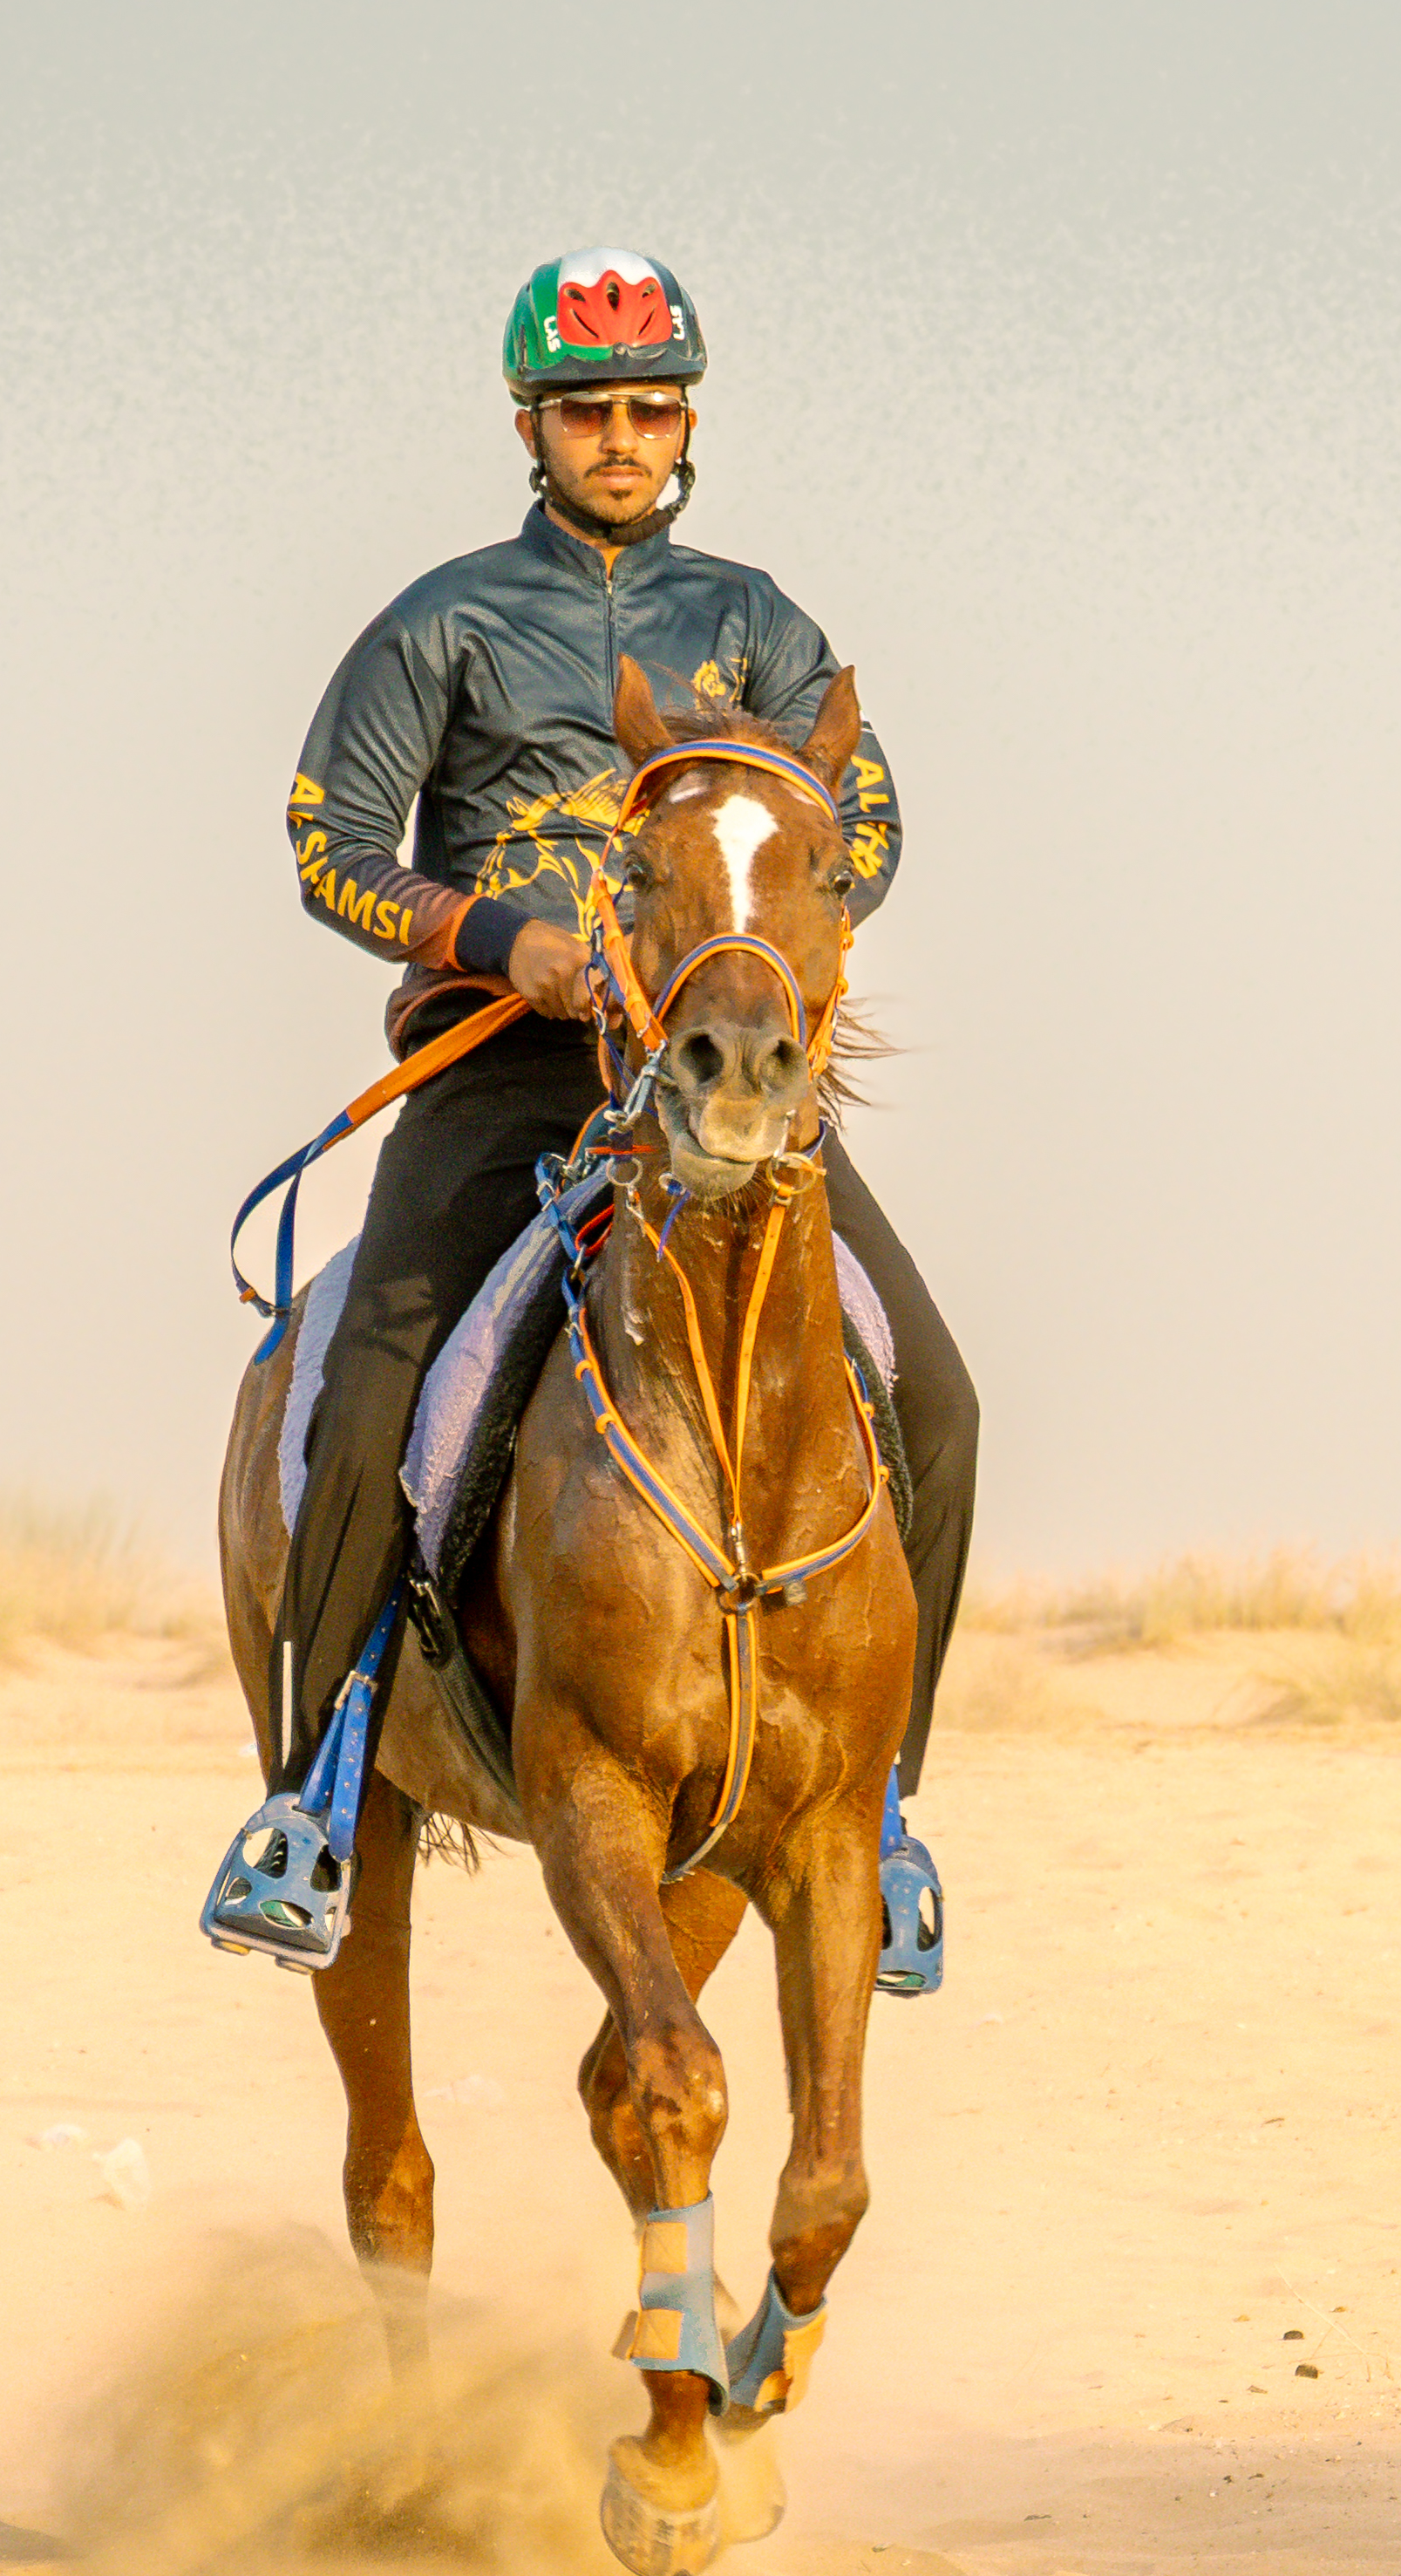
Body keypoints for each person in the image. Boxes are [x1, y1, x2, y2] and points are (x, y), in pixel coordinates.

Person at [200, 249, 976, 1977]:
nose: (619, 438)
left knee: (938, 1388)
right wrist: (507, 939)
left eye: (647, 405)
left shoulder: (763, 625)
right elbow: (332, 839)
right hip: (498, 1072)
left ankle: (892, 1800)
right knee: (363, 1386)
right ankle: (314, 1799)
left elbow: (863, 829)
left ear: (685, 417)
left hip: (713, 1076)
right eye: (585, 410)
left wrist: (749, 953)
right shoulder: (446, 618)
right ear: (532, 422)